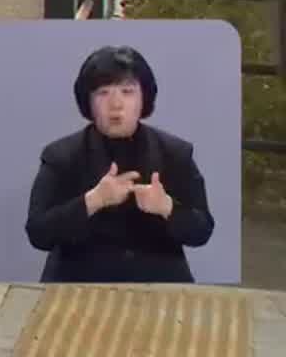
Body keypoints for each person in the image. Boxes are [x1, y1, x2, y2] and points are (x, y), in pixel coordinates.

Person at [24, 45, 214, 283]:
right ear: (88, 102)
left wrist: (167, 207)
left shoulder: (175, 153)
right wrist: (94, 200)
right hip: (79, 286)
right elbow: (38, 233)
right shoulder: (61, 156)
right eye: (103, 93)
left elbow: (202, 230)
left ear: (144, 98)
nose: (116, 104)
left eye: (127, 91)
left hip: (158, 286)